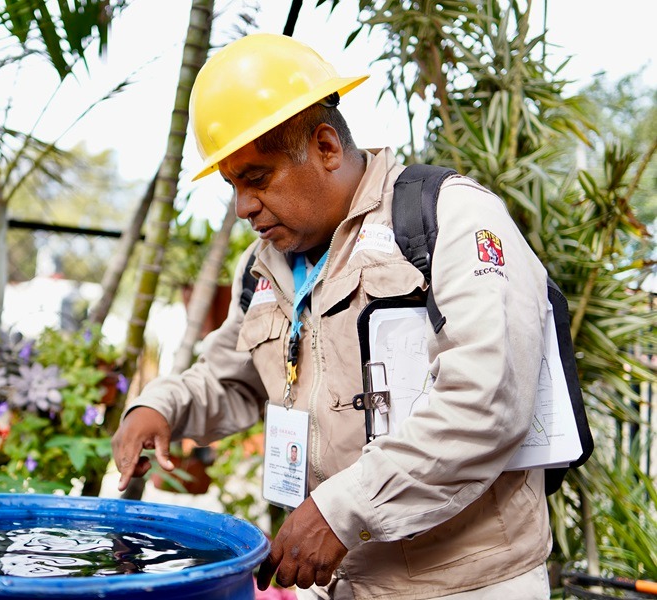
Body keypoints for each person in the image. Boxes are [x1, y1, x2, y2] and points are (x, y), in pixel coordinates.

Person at [111, 33, 552, 600]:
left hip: (465, 584)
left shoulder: (450, 218)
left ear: (325, 147)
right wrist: (160, 406)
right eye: (231, 186)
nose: (243, 207)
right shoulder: (264, 264)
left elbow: (486, 399)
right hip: (340, 581)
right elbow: (232, 378)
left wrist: (343, 509)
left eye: (256, 178)